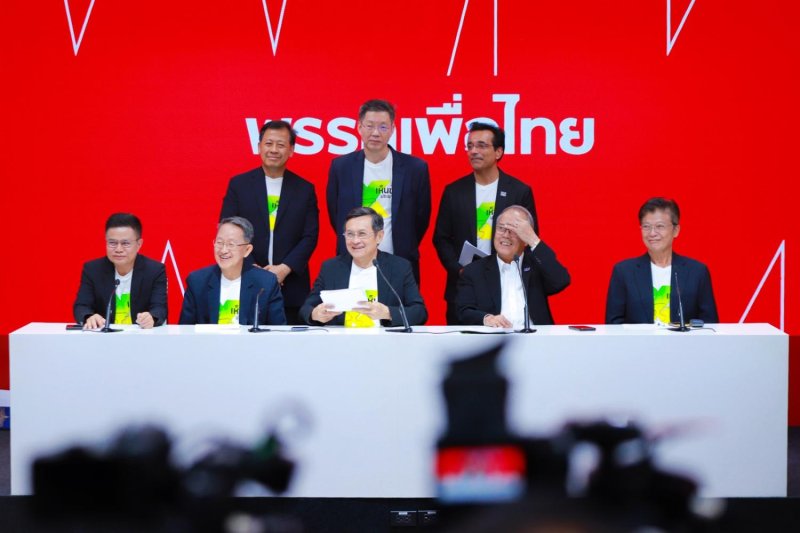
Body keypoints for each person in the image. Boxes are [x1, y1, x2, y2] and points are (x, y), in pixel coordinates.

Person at [433, 122, 538, 324]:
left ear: (498, 152)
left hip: (507, 283)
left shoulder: (519, 191)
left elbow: (529, 238)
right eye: (470, 146)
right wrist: (458, 269)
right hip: (466, 285)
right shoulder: (454, 191)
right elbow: (441, 238)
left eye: (481, 145)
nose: (473, 151)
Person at [220, 120, 319, 324]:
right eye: (268, 143)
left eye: (281, 145)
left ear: (291, 150)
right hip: (246, 280)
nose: (274, 150)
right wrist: (252, 267)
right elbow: (228, 230)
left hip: (292, 286)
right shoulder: (239, 185)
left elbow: (310, 236)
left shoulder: (304, 189)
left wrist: (284, 269)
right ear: (259, 147)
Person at [327, 99, 431, 283]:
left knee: (397, 311)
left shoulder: (415, 168)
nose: (375, 133)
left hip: (399, 262)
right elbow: (335, 213)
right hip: (353, 262)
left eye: (383, 127)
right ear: (359, 127)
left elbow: (421, 218)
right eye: (370, 126)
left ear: (392, 129)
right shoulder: (341, 167)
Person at [299, 207, 427, 327]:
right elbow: (306, 310)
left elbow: (419, 313)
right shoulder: (331, 268)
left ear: (379, 236)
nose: (355, 241)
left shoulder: (399, 267)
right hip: (341, 344)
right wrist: (315, 314)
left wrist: (387, 313)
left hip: (385, 343)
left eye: (362, 234)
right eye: (350, 234)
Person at [605, 197, 718, 324]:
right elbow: (613, 325)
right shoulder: (624, 272)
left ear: (675, 230)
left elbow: (709, 324)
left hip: (684, 344)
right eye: (646, 227)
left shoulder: (697, 272)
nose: (652, 233)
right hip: (638, 344)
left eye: (660, 226)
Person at [456, 205, 569, 327]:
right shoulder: (474, 271)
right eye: (501, 228)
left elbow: (561, 280)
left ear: (526, 238)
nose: (505, 235)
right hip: (496, 340)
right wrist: (486, 319)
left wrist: (534, 240)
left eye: (514, 230)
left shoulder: (536, 265)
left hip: (537, 339)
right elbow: (463, 311)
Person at [179, 217, 286, 325]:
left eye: (231, 244)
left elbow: (278, 332)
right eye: (219, 242)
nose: (223, 250)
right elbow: (185, 331)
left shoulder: (266, 283)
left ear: (247, 250)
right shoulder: (198, 281)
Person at [73, 213, 167, 329]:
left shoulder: (154, 271)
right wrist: (89, 317)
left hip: (141, 338)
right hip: (103, 338)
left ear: (139, 244)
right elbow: (81, 306)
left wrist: (151, 318)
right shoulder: (93, 270)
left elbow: (160, 308)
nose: (118, 249)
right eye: (112, 243)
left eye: (125, 243)